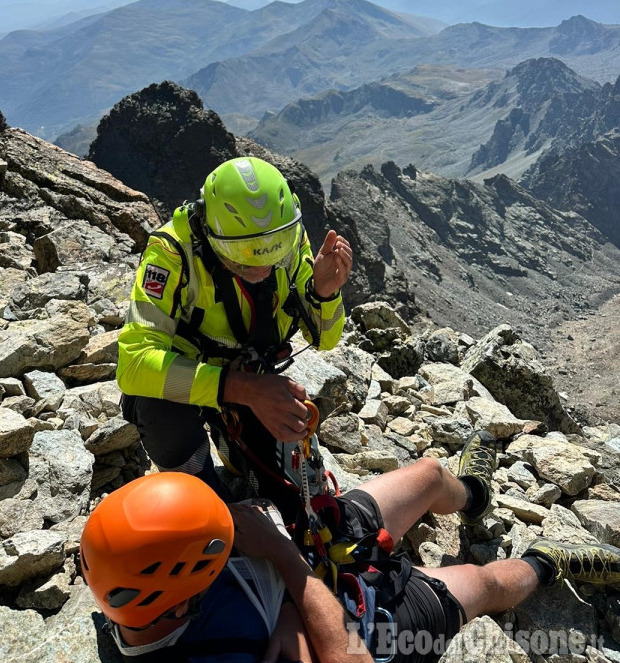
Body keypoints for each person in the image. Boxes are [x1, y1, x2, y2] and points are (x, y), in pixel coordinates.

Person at [80, 430, 620, 663]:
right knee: (482, 584)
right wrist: (287, 563)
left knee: (430, 474)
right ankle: (546, 561)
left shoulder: (127, 572)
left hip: (313, 554)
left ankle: (472, 493)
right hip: (354, 617)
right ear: (180, 597)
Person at [117, 156, 352, 517]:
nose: (260, 267)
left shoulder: (285, 241)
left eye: (272, 251)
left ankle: (239, 471)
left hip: (250, 375)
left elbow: (324, 338)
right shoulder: (171, 252)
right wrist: (244, 389)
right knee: (157, 409)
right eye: (241, 254)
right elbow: (133, 365)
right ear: (209, 232)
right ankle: (204, 505)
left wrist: (324, 293)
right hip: (196, 381)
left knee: (292, 503)